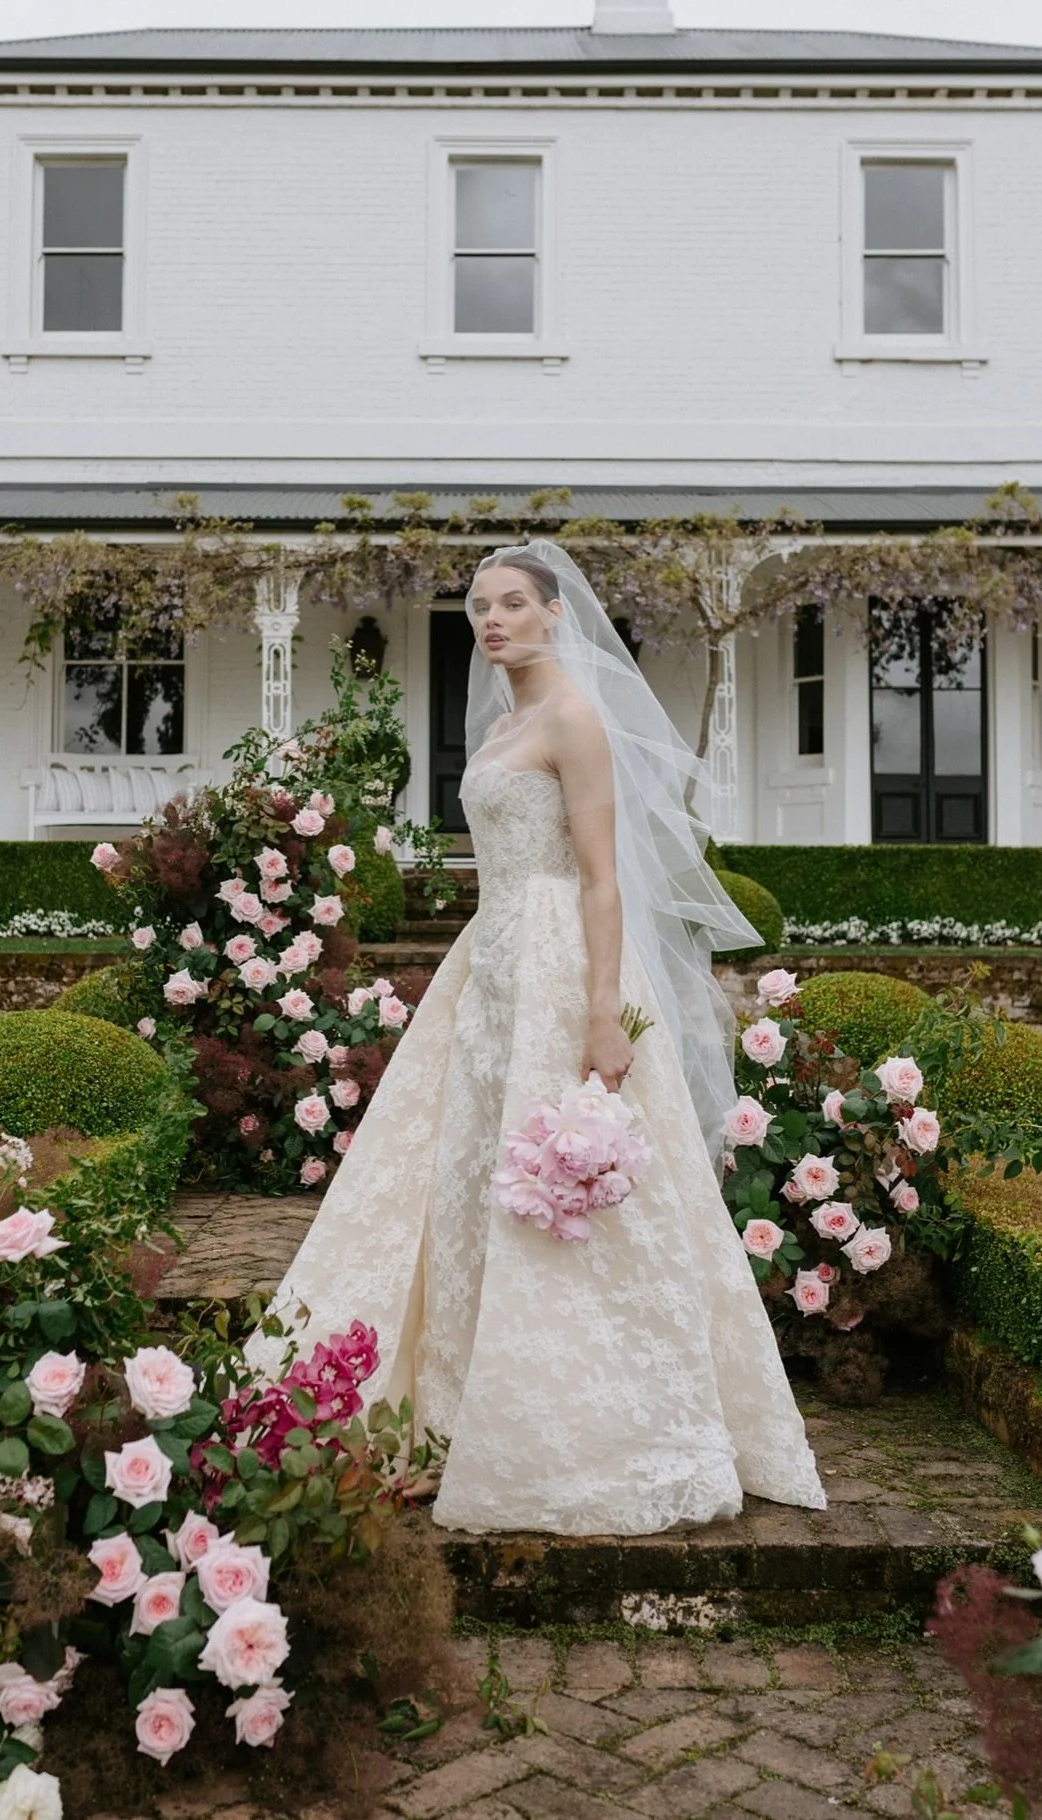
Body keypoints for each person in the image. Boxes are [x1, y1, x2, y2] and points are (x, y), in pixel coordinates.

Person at [247, 539, 825, 1535]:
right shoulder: (511, 720)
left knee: (565, 1191)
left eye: (513, 602)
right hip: (493, 965)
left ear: (556, 613)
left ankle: (586, 1430)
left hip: (565, 965)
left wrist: (602, 1007)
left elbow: (602, 875)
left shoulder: (575, 718)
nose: (493, 619)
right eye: (480, 605)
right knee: (469, 1179)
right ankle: (446, 1419)